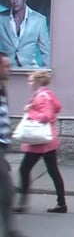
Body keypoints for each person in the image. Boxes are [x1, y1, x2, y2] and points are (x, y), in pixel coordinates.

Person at [14, 70, 67, 214]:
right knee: (53, 171)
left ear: (38, 82)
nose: (29, 83)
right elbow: (57, 108)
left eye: (31, 81)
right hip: (47, 140)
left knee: (24, 169)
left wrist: (29, 111)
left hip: (39, 142)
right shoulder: (48, 94)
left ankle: (22, 205)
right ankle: (61, 204)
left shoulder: (41, 96)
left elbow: (47, 116)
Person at [0, 52, 24, 237]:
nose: (10, 69)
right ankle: (10, 231)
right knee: (7, 191)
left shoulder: (3, 87)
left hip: (3, 148)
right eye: (6, 66)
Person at [0, 0, 51, 68]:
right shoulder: (1, 18)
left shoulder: (39, 19)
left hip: (30, 70)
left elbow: (45, 50)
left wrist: (45, 71)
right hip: (8, 70)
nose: (15, 1)